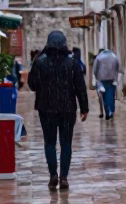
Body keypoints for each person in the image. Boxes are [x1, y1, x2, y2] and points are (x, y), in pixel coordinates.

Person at [27, 31, 89, 190]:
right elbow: (80, 87)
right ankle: (64, 178)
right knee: (66, 142)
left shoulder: (39, 62)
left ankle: (53, 174)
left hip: (46, 108)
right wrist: (84, 108)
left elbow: (32, 84)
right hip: (68, 109)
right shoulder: (72, 63)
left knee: (49, 142)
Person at [91, 46, 121, 120]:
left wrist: (95, 79)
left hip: (101, 80)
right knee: (110, 96)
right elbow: (118, 68)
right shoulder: (114, 56)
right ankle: (111, 111)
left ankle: (107, 112)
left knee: (103, 97)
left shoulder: (99, 58)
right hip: (112, 79)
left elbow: (94, 70)